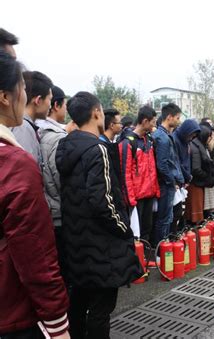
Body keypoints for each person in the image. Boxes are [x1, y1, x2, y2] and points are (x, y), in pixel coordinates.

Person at [56, 91, 142, 337]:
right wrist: (123, 227)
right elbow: (102, 200)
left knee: (79, 302)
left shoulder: (65, 145)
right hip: (102, 245)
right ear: (96, 113)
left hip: (76, 240)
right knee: (101, 309)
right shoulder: (98, 149)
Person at [0, 50, 70, 339]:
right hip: (12, 313)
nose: (25, 94)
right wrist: (57, 322)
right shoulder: (13, 161)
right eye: (23, 87)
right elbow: (35, 252)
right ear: (6, 96)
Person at [36, 85, 68, 276]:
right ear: (56, 105)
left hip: (48, 210)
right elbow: (60, 178)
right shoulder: (56, 138)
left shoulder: (37, 131)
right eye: (64, 105)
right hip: (58, 213)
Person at [119, 106, 160, 242]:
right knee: (135, 232)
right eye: (153, 122)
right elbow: (125, 173)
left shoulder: (149, 140)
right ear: (144, 121)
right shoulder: (128, 142)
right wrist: (130, 200)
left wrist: (156, 190)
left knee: (147, 229)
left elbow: (153, 168)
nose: (155, 125)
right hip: (136, 197)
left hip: (149, 193)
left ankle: (147, 259)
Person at [152, 103, 183, 244]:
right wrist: (172, 181)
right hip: (165, 184)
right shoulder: (162, 138)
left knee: (167, 217)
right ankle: (160, 250)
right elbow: (162, 165)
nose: (178, 121)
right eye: (177, 118)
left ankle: (162, 247)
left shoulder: (164, 135)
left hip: (167, 183)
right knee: (164, 218)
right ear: (169, 117)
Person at [11, 71, 53, 165]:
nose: (50, 106)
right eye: (50, 99)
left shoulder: (20, 125)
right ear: (38, 100)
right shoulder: (23, 128)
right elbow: (23, 170)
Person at [187, 125, 214, 223]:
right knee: (195, 211)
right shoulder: (196, 147)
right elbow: (196, 169)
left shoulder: (198, 145)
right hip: (196, 183)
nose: (210, 138)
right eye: (209, 136)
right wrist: (207, 176)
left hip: (199, 182)